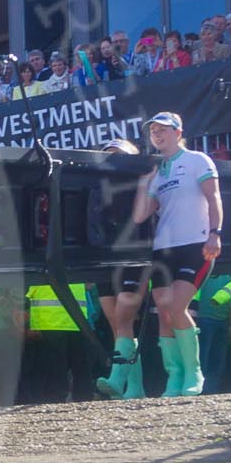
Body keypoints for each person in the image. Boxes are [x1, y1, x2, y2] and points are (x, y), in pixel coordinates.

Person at [130, 112, 223, 396]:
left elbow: (213, 197)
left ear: (178, 132)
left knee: (177, 307)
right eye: (153, 131)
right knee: (164, 314)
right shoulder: (159, 171)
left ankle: (194, 372)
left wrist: (215, 232)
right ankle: (175, 377)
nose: (157, 134)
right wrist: (145, 184)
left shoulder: (197, 160)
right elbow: (139, 216)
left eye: (164, 130)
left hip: (195, 244)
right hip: (164, 249)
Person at [96, 139, 150, 400]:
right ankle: (134, 387)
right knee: (116, 324)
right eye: (107, 157)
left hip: (135, 256)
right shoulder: (97, 187)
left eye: (118, 156)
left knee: (124, 318)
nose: (112, 162)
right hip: (103, 259)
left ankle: (119, 381)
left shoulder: (142, 182)